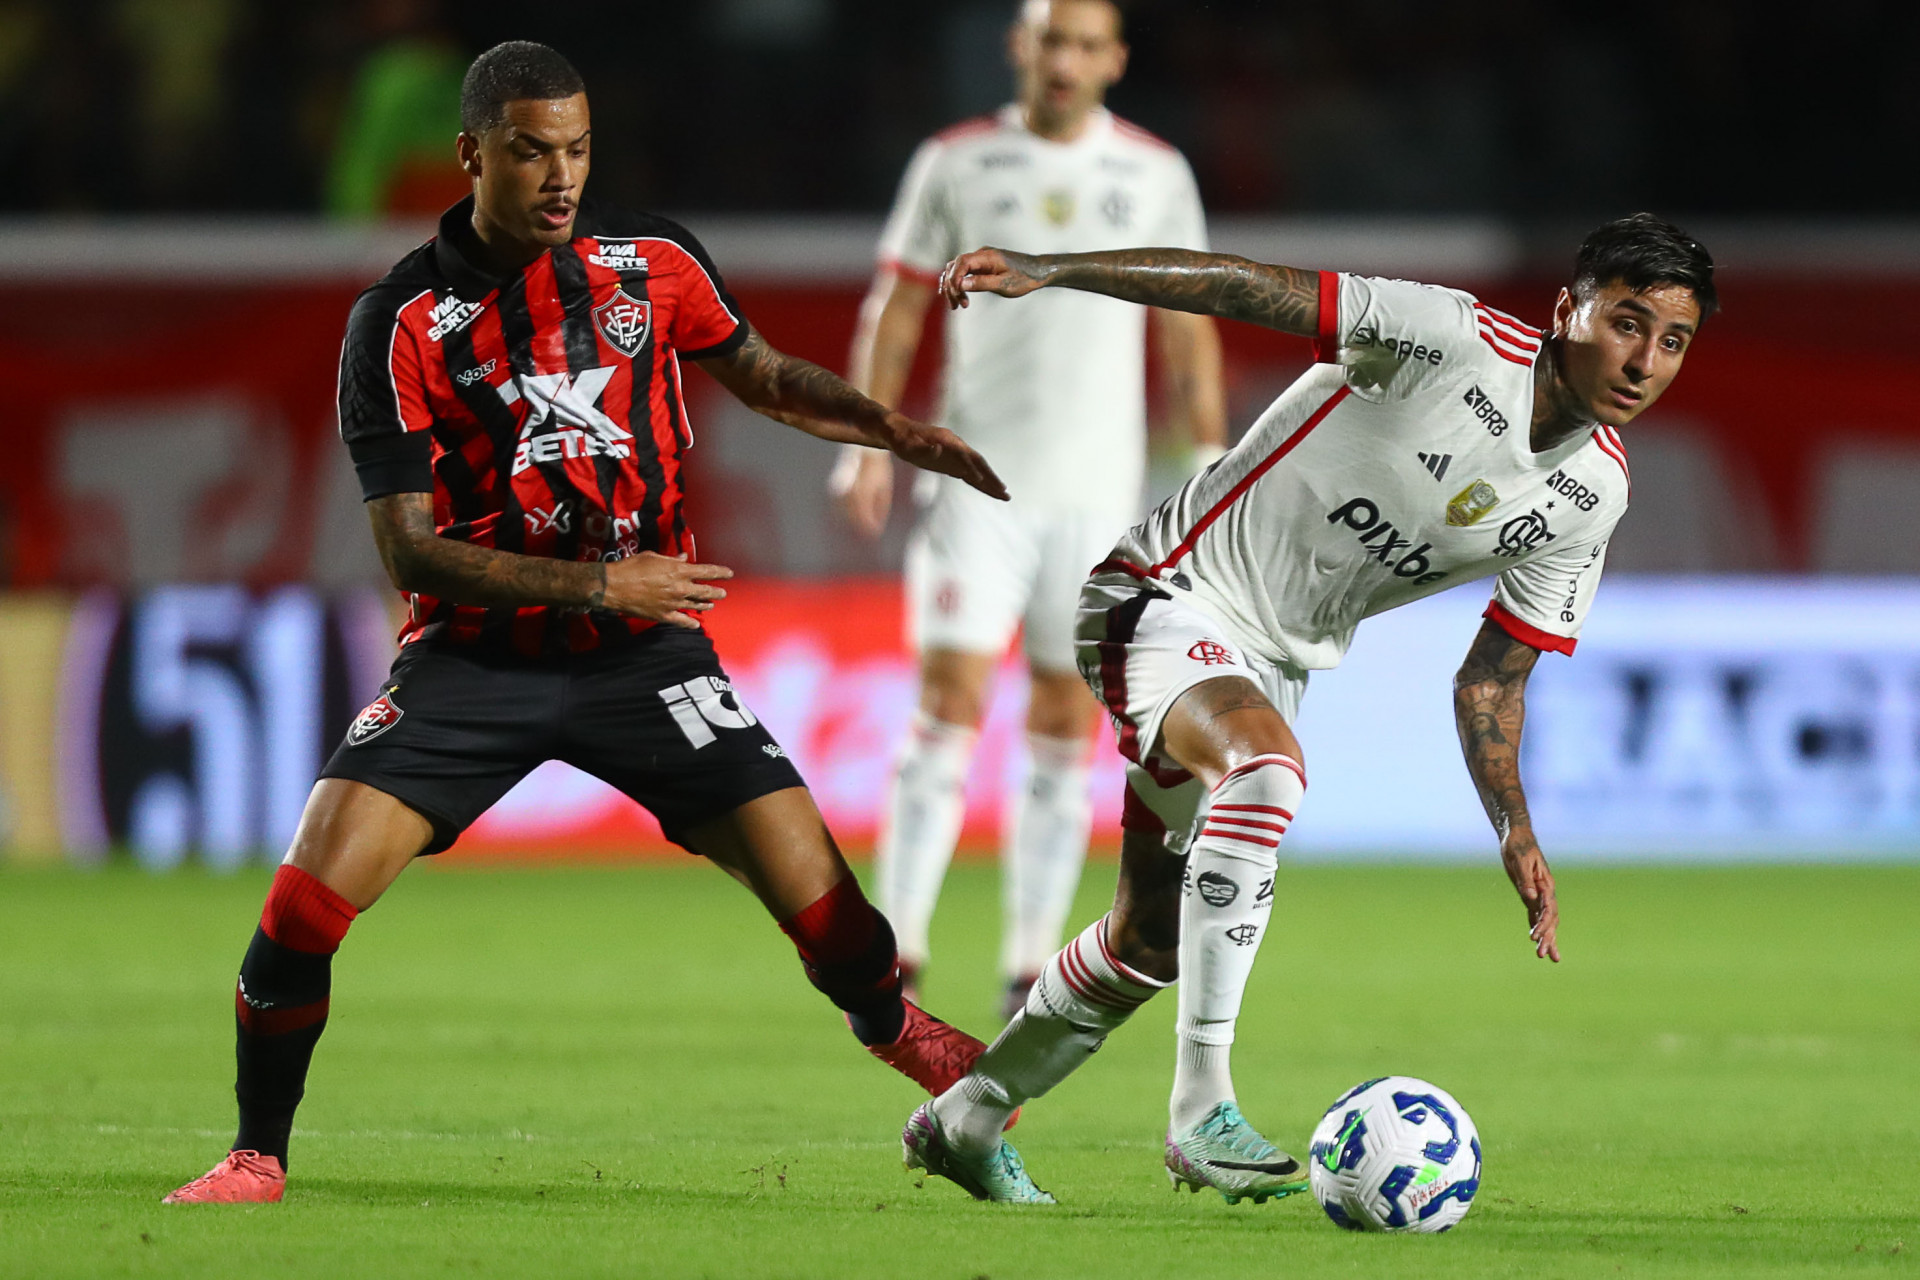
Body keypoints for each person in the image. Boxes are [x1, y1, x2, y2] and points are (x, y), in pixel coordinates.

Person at [162, 40, 1010, 1206]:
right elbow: (409, 549)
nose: (560, 176)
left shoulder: (650, 263)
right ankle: (258, 1152)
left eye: (577, 149)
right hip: (472, 658)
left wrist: (891, 428)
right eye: (530, 153)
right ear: (471, 156)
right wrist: (603, 587)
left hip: (644, 658)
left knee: (826, 902)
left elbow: (763, 373)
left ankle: (893, 1028)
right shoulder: (399, 321)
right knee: (301, 907)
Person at [895, 214, 1716, 1204]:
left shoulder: (1593, 493)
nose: (1645, 361)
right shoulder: (1450, 338)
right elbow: (1242, 283)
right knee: (1267, 771)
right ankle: (1202, 1111)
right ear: (1566, 310)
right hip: (1164, 593)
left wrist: (1514, 826)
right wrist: (1053, 267)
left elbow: (1493, 678)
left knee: (1149, 937)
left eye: (1673, 341)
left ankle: (967, 1117)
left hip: (1272, 664)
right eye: (1626, 323)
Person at [830, 0, 1225, 1019]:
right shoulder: (956, 161)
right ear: (1020, 47)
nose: (1066, 60)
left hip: (1096, 494)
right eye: (1052, 39)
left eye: (1087, 44)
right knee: (949, 700)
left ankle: (1024, 966)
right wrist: (869, 441)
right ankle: (895, 948)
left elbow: (1188, 325)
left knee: (1062, 719)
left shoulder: (1155, 172)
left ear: (1115, 60)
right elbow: (897, 304)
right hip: (976, 486)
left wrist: (1208, 462)